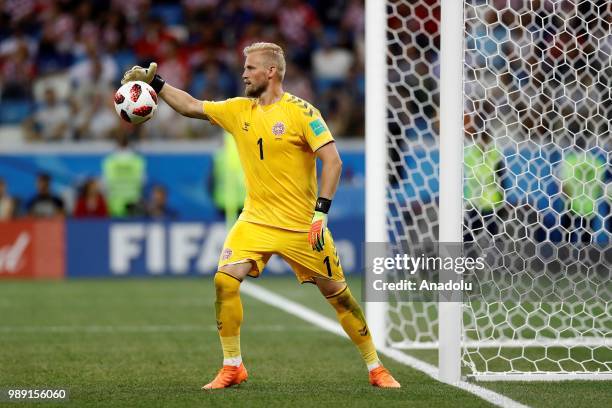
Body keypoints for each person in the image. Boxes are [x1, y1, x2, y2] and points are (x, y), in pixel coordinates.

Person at [121, 42, 399, 389]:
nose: (243, 73)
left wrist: (320, 214)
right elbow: (191, 106)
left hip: (302, 225)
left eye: (250, 67)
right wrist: (157, 84)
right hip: (254, 219)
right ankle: (232, 366)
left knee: (340, 297)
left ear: (271, 72)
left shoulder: (303, 112)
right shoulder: (238, 110)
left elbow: (333, 161)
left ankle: (376, 368)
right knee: (224, 281)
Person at [102, 135, 146, 217]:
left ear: (117, 144)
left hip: (114, 203)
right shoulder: (137, 160)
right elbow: (142, 181)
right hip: (133, 202)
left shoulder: (110, 161)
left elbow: (105, 184)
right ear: (129, 143)